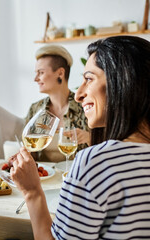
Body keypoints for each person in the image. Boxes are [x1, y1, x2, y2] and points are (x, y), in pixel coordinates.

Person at [11, 36, 150, 239]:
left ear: (121, 82)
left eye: (89, 78)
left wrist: (32, 192)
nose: (79, 94)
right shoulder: (36, 109)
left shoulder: (95, 162)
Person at [25, 45, 89, 162]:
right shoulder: (35, 109)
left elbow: (105, 148)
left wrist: (90, 138)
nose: (36, 78)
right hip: (44, 177)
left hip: (78, 176)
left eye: (41, 72)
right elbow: (29, 153)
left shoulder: (86, 107)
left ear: (60, 73)